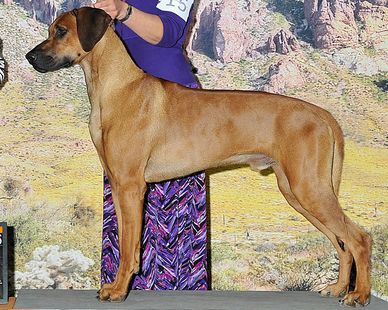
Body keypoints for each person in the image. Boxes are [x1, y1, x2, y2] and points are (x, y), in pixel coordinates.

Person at [93, 0, 208, 290]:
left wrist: (124, 11)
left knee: (175, 226)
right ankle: (123, 283)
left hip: (174, 111)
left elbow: (167, 33)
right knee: (123, 200)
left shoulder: (123, 5)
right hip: (122, 106)